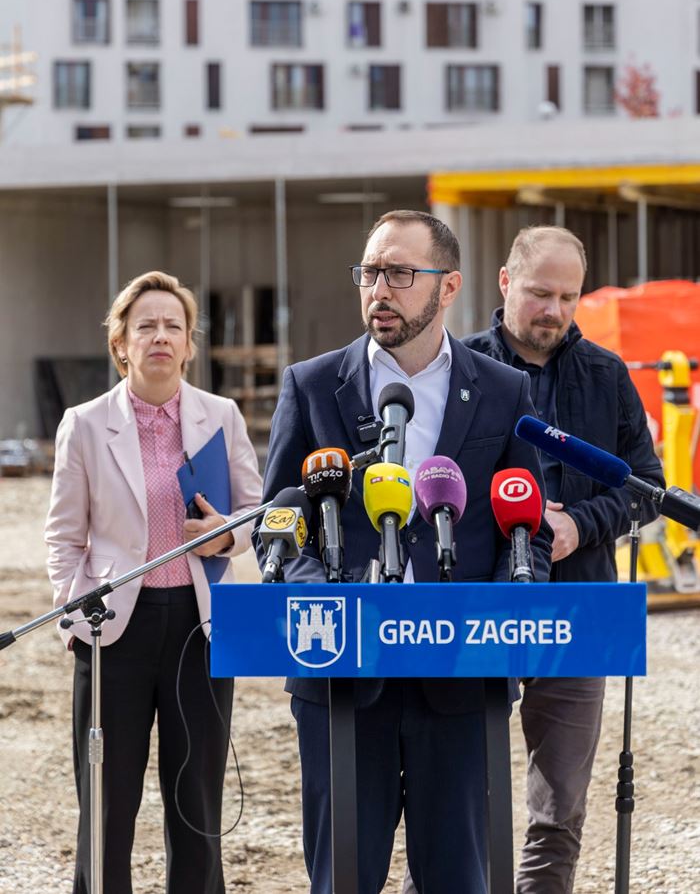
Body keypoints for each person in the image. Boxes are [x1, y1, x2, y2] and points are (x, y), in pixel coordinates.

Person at [260, 210, 552, 894]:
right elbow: (279, 520)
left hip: (462, 677)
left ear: (448, 286)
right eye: (369, 273)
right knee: (342, 878)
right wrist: (325, 601)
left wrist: (509, 607)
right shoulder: (311, 384)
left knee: (460, 878)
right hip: (342, 678)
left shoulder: (504, 389)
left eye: (399, 273)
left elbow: (528, 525)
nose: (379, 290)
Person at [45, 270, 263, 894]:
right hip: (113, 630)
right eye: (146, 326)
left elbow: (256, 511)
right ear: (121, 343)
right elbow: (63, 537)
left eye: (174, 326)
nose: (161, 337)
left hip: (201, 625)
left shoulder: (221, 416)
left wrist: (225, 534)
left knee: (196, 804)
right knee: (107, 805)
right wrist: (74, 617)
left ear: (190, 343)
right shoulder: (84, 424)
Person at [463, 225, 664, 893]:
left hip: (581, 606)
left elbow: (646, 487)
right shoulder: (460, 369)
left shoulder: (608, 375)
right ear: (504, 282)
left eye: (568, 297)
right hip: (480, 609)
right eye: (539, 293)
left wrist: (577, 525)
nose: (554, 310)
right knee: (458, 798)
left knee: (559, 810)